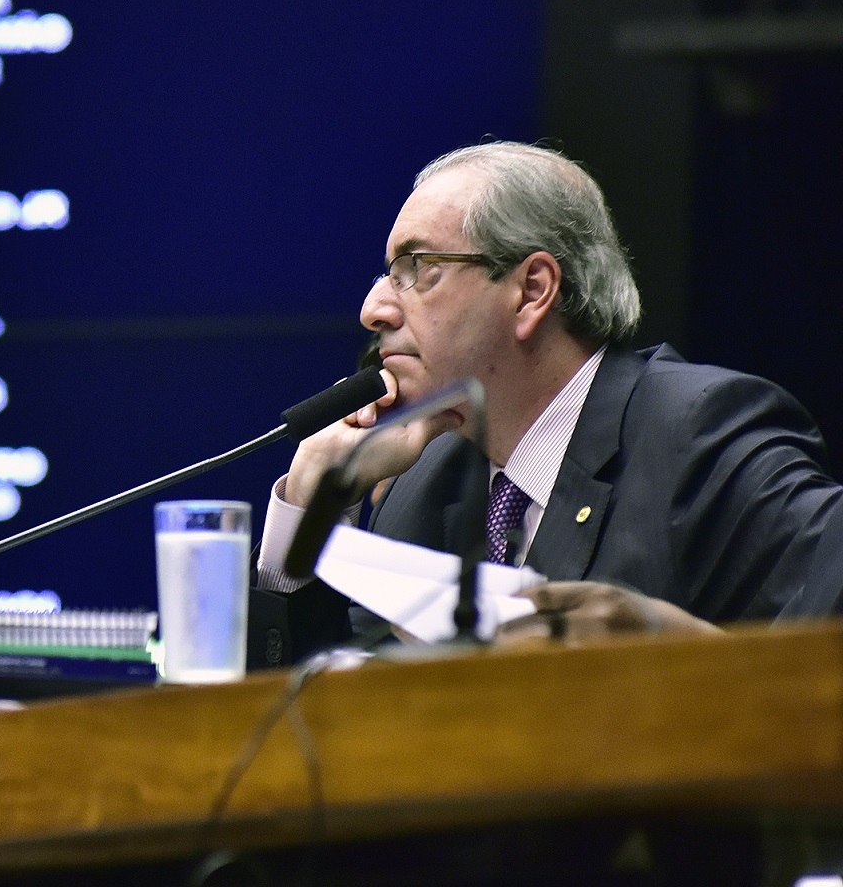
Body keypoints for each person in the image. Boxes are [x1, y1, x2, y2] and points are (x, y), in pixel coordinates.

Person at [254, 141, 840, 654]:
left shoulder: (698, 433)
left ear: (532, 291)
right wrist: (311, 508)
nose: (373, 309)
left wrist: (672, 646)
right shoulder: (425, 481)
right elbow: (323, 720)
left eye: (418, 267)